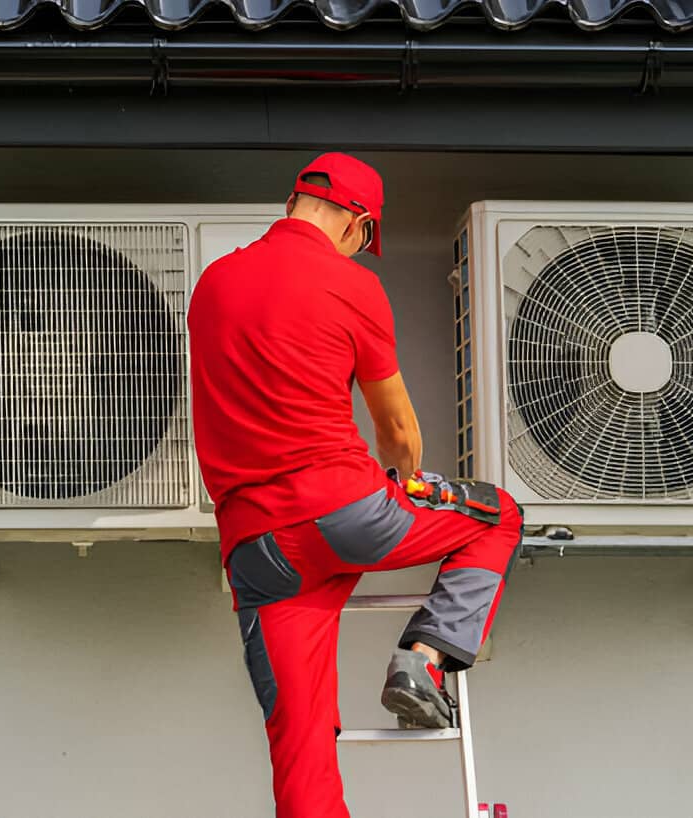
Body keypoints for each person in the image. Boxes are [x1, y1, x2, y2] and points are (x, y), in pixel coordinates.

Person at [187, 152, 523, 818]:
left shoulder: (213, 282)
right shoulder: (353, 285)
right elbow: (396, 428)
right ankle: (423, 661)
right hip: (345, 513)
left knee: (300, 747)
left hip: (258, 551)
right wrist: (407, 480)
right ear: (359, 225)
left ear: (292, 204)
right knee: (499, 516)